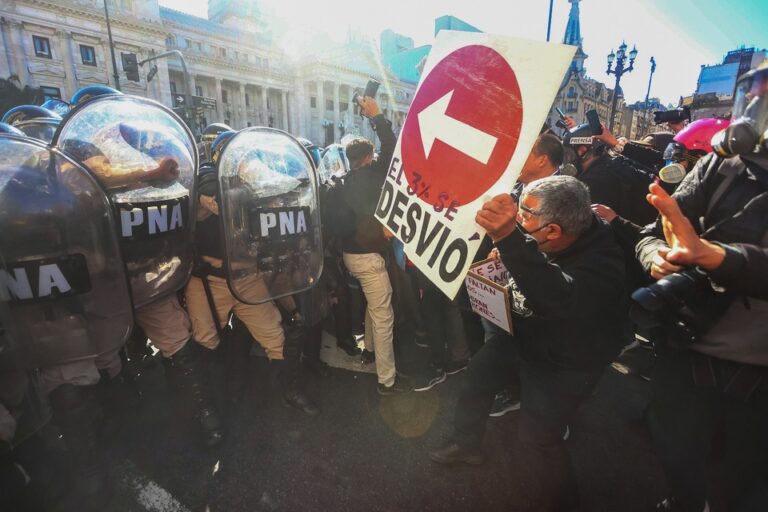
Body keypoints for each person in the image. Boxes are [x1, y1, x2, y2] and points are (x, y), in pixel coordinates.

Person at [429, 176, 627, 512]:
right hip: (521, 335)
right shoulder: (545, 235)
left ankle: (561, 502)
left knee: (538, 438)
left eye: (525, 219)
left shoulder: (604, 262)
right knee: (477, 376)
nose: (517, 224)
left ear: (554, 232)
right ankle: (467, 445)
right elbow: (528, 259)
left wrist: (511, 243)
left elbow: (557, 296)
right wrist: (508, 252)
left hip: (567, 361)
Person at [634, 61, 768, 512]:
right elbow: (655, 232)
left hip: (758, 372)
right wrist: (659, 259)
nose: (758, 103)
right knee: (674, 450)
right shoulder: (722, 165)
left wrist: (717, 258)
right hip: (686, 346)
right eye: (757, 89)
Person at [326, 96, 409, 395]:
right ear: (368, 158)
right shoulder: (373, 176)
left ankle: (370, 351)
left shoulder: (340, 181)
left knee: (373, 305)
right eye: (372, 157)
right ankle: (387, 380)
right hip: (369, 258)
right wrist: (377, 116)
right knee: (383, 314)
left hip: (350, 258)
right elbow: (392, 145)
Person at [564, 122, 657, 225]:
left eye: (569, 154)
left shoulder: (592, 182)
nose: (567, 159)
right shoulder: (615, 164)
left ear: (582, 151)